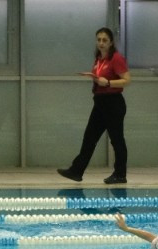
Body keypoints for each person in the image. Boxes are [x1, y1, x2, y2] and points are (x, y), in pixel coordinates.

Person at [58, 27, 131, 185]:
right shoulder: (99, 58)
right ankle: (76, 170)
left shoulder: (116, 58)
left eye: (105, 40)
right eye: (99, 40)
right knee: (89, 137)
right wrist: (94, 77)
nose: (101, 43)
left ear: (111, 42)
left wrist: (108, 82)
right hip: (100, 102)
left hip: (113, 103)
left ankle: (120, 174)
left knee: (116, 139)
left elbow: (127, 80)